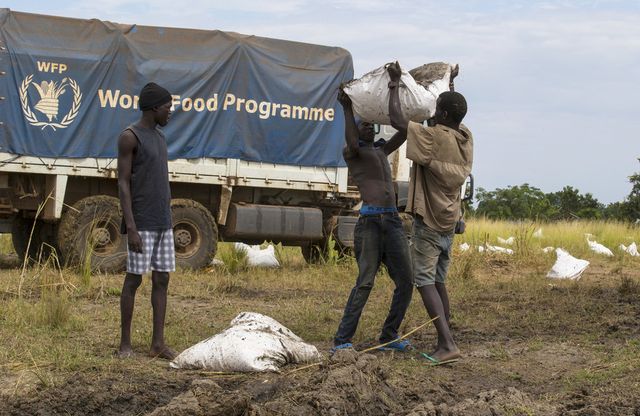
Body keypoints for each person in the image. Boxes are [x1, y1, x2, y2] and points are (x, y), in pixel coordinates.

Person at [387, 62, 473, 364]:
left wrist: (394, 84)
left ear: (445, 115)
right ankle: (445, 339)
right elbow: (451, 114)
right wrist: (448, 86)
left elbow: (398, 120)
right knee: (438, 282)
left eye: (437, 109)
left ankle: (447, 345)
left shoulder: (433, 138)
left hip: (429, 223)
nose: (433, 113)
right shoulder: (465, 139)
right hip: (449, 223)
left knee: (423, 281)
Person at [331, 89, 414, 354]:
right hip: (370, 223)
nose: (370, 126)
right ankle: (342, 340)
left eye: (371, 123)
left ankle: (389, 336)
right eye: (363, 123)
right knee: (365, 282)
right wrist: (347, 109)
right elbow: (353, 142)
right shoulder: (351, 152)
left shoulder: (382, 150)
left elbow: (404, 132)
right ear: (354, 130)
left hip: (392, 221)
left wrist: (396, 89)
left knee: (406, 281)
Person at [117, 82, 177, 360]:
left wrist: (168, 219)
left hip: (162, 221)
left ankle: (157, 345)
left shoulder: (161, 137)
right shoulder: (130, 137)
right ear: (154, 108)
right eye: (167, 107)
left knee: (161, 279)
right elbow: (122, 183)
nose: (170, 112)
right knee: (133, 281)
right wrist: (131, 228)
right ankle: (125, 345)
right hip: (140, 222)